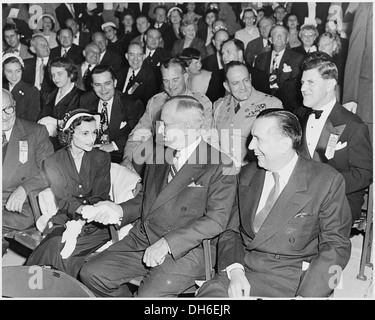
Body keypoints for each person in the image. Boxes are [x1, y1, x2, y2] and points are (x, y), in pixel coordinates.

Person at [79, 95, 237, 297]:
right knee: (91, 273)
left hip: (186, 250)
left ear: (187, 128)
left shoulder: (221, 163)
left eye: (165, 124)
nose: (159, 130)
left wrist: (167, 243)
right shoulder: (158, 153)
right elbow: (146, 198)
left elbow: (216, 220)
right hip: (144, 238)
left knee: (148, 297)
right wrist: (119, 210)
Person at [197, 109, 352, 298]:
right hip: (243, 269)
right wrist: (236, 272)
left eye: (258, 139)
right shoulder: (246, 174)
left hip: (295, 279)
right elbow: (231, 231)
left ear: (284, 144)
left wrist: (309, 295)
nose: (251, 145)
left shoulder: (326, 181)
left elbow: (337, 246)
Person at [26, 109, 112, 278]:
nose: (92, 138)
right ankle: (34, 290)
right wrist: (75, 221)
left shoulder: (101, 158)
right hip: (65, 216)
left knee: (68, 255)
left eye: (94, 132)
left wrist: (80, 223)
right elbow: (63, 199)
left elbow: (100, 196)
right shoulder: (53, 161)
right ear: (70, 134)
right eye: (85, 133)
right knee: (53, 244)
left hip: (97, 219)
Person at [295, 52, 373, 224]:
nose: (302, 88)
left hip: (339, 200)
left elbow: (365, 173)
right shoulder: (300, 118)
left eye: (310, 82)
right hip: (301, 197)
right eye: (302, 82)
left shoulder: (353, 125)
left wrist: (325, 186)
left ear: (329, 84)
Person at [121, 58, 213, 173]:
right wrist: (127, 158)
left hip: (189, 163)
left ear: (185, 77)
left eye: (175, 80)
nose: (170, 86)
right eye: (166, 81)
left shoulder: (201, 103)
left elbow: (204, 139)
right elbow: (139, 133)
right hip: (160, 162)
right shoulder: (156, 102)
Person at [2, 89, 54, 255]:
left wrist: (24, 188)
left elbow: (51, 171)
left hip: (20, 205)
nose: (3, 116)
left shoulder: (35, 132)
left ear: (14, 106)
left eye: (7, 109)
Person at [211, 61, 282, 167]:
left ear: (251, 78)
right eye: (235, 83)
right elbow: (213, 141)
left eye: (246, 80)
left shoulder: (271, 104)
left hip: (254, 171)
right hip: (224, 172)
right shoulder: (219, 106)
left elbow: (276, 148)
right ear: (226, 86)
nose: (243, 87)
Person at [79, 65, 144, 164]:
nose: (103, 89)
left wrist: (113, 145)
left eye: (107, 83)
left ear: (115, 83)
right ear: (92, 85)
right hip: (91, 154)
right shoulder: (86, 100)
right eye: (97, 85)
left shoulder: (131, 104)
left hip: (119, 155)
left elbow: (139, 134)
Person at [254, 25, 304, 112]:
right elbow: (257, 84)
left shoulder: (297, 58)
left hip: (288, 106)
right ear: (270, 39)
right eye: (276, 34)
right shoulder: (260, 58)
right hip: (265, 105)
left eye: (283, 34)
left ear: (287, 39)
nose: (279, 36)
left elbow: (295, 87)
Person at [38, 57, 84, 151]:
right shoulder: (48, 95)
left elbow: (80, 126)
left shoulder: (82, 97)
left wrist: (54, 121)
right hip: (46, 145)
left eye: (59, 74)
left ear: (70, 74)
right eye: (53, 75)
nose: (55, 78)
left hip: (68, 149)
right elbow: (40, 120)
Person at [117, 42, 157, 107]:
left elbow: (147, 104)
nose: (135, 59)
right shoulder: (121, 72)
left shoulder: (149, 76)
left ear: (144, 57)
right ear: (126, 56)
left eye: (139, 55)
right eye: (132, 54)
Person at [2, 54, 40, 122]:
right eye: (9, 71)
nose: (14, 76)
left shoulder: (32, 91)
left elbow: (31, 119)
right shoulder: (2, 89)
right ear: (3, 72)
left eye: (18, 71)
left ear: (22, 71)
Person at [317, 31, 345, 102]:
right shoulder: (315, 64)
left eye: (326, 44)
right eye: (319, 44)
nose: (321, 47)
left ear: (334, 46)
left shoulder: (339, 65)